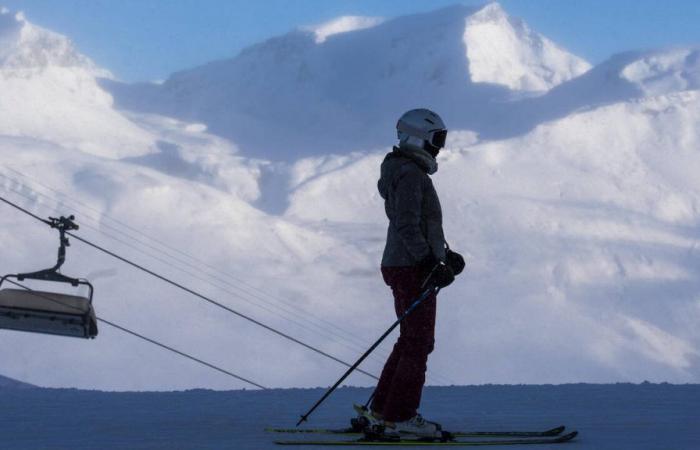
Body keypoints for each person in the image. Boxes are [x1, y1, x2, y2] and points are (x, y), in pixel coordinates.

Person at [356, 109, 465, 438]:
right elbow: (407, 224)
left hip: (406, 263)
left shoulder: (405, 171)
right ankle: (400, 416)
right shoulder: (411, 175)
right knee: (419, 343)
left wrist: (444, 255)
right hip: (410, 267)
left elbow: (417, 224)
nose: (439, 148)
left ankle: (381, 411)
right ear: (419, 137)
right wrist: (429, 262)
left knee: (410, 341)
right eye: (437, 140)